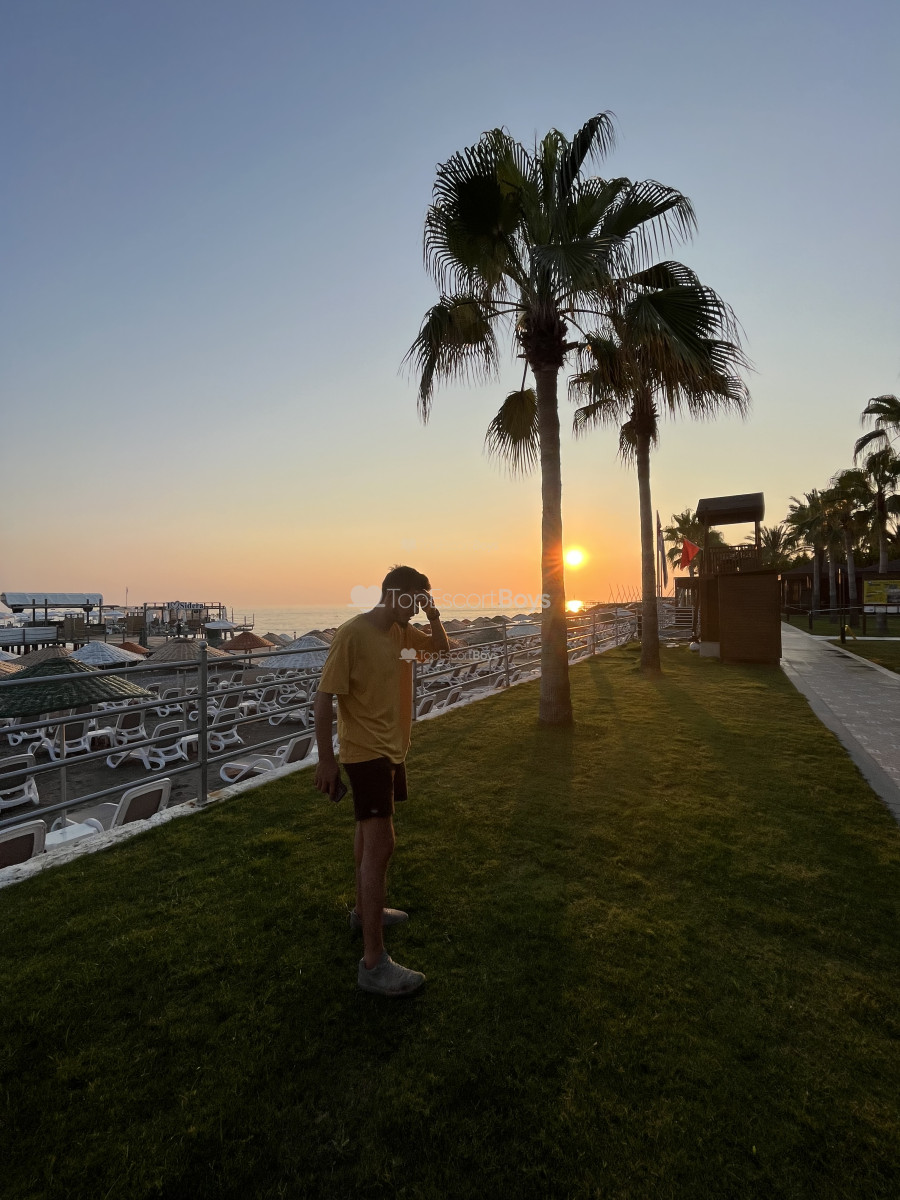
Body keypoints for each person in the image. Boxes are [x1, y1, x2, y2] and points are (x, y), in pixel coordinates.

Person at [314, 565, 449, 996]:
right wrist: (326, 761)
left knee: (366, 836)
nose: (417, 609)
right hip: (365, 752)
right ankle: (373, 964)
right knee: (381, 845)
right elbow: (323, 699)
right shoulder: (352, 634)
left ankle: (362, 912)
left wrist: (434, 615)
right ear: (395, 593)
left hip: (391, 749)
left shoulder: (401, 633)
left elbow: (441, 650)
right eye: (415, 600)